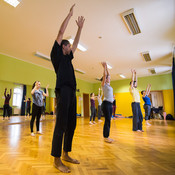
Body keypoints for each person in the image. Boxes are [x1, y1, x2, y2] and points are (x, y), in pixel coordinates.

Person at [50, 4, 85, 173]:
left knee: (71, 124)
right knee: (61, 124)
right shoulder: (56, 56)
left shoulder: (69, 58)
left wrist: (79, 29)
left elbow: (77, 43)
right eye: (69, 46)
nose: (71, 47)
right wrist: (69, 16)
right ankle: (56, 160)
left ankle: (65, 154)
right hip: (62, 91)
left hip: (72, 92)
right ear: (63, 46)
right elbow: (60, 33)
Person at [101, 62, 114, 143]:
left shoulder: (109, 85)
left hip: (110, 104)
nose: (109, 78)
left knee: (108, 120)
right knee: (107, 120)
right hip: (106, 104)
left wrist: (107, 68)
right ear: (105, 79)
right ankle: (106, 137)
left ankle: (106, 136)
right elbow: (105, 75)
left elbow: (108, 74)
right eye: (107, 78)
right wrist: (104, 68)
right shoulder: (104, 85)